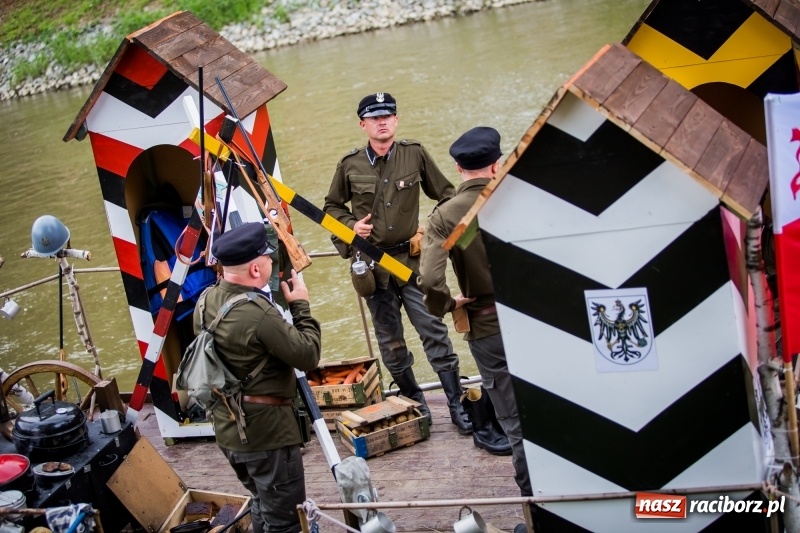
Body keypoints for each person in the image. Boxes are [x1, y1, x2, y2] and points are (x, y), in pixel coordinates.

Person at [323, 92, 471, 433]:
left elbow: (447, 194)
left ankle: (456, 403)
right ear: (363, 125)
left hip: (412, 263)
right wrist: (350, 226)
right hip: (374, 268)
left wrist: (433, 227)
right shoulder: (350, 164)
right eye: (374, 117)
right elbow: (331, 207)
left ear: (396, 120)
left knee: (434, 331)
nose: (382, 122)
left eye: (387, 115)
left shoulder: (413, 153)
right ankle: (415, 402)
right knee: (390, 343)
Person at [418, 126, 532, 499]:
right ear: (496, 165)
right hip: (537, 322)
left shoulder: (445, 215)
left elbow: (430, 280)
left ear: (458, 168)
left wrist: (447, 304)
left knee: (514, 422)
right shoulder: (520, 197)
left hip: (487, 327)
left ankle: (536, 507)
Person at [194, 222, 321, 533]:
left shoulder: (205, 301)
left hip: (229, 432)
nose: (270, 264)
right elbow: (308, 355)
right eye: (268, 259)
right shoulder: (258, 313)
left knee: (262, 503)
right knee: (286, 522)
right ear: (255, 269)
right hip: (267, 437)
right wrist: (301, 306)